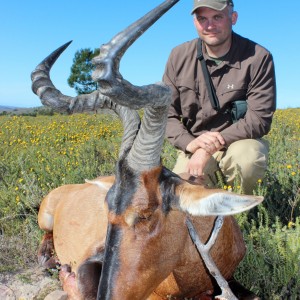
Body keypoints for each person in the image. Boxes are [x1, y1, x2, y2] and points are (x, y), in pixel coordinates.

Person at [163, 0, 276, 194]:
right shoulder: (178, 56)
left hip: (239, 141)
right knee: (178, 195)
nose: (209, 25)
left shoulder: (258, 57)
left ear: (233, 18)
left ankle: (240, 216)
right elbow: (165, 114)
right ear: (194, 22)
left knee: (247, 160)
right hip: (194, 143)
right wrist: (190, 144)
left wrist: (207, 148)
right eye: (202, 19)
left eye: (217, 17)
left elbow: (259, 119)